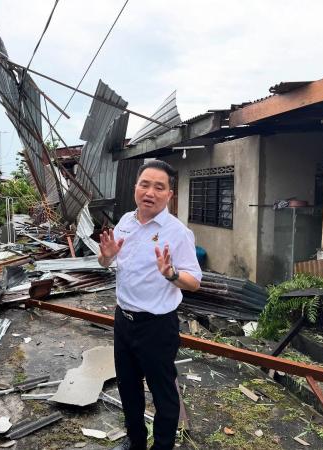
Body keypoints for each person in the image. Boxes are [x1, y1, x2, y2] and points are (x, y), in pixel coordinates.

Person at [98, 160, 202, 450]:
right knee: (128, 386)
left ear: (169, 194)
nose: (150, 192)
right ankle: (136, 440)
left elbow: (194, 281)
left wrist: (171, 274)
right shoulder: (125, 222)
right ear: (136, 188)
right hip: (124, 320)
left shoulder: (178, 232)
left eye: (159, 187)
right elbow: (107, 262)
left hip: (157, 326)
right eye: (145, 185)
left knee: (162, 392)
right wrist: (106, 257)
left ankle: (163, 446)